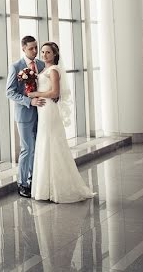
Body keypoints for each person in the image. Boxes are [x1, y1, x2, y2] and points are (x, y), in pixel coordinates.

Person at [27, 42, 94, 203]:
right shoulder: (43, 69)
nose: (44, 55)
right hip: (43, 110)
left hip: (49, 110)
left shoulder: (54, 70)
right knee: (45, 144)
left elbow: (55, 92)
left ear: (55, 55)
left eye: (48, 52)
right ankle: (46, 188)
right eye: (42, 52)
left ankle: (58, 189)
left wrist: (36, 93)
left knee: (52, 143)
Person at [6, 35, 46, 198]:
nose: (35, 51)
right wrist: (29, 102)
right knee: (27, 149)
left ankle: (35, 179)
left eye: (36, 47)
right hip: (24, 114)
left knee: (38, 148)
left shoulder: (42, 65)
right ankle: (23, 184)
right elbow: (10, 92)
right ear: (23, 48)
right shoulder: (16, 66)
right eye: (31, 48)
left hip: (42, 113)